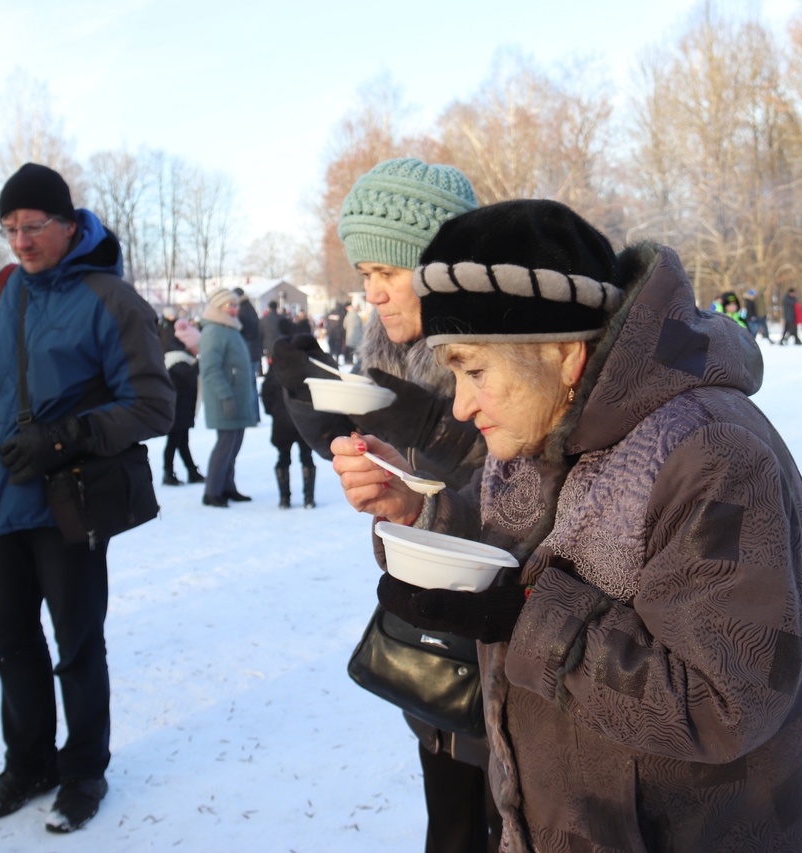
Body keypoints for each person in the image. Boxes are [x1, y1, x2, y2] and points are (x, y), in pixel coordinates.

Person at [334, 199, 802, 851]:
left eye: (474, 368)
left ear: (563, 352)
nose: (461, 404)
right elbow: (515, 545)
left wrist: (525, 619)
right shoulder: (540, 424)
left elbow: (725, 699)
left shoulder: (712, 454)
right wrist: (419, 511)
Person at [271, 157, 498, 853]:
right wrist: (335, 432)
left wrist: (414, 450)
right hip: (433, 647)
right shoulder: (388, 356)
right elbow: (419, 501)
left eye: (387, 274)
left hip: (510, 661)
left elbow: (521, 513)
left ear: (441, 267)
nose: (372, 296)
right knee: (450, 821)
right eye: (364, 276)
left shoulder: (509, 363)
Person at [0, 163, 174, 833]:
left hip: (67, 500)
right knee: (7, 634)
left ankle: (83, 771)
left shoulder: (109, 297)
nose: (20, 241)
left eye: (33, 226)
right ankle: (28, 762)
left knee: (76, 641)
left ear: (70, 224)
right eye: (9, 228)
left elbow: (154, 404)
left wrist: (65, 437)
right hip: (1, 498)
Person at [197, 288, 257, 507]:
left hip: (237, 397)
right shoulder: (213, 331)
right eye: (228, 305)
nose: (234, 309)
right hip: (225, 399)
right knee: (225, 444)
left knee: (234, 444)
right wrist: (224, 396)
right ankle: (212, 491)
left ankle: (227, 486)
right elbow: (210, 369)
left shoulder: (230, 328)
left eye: (235, 305)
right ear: (218, 307)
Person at [262, 319, 317, 509]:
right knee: (306, 456)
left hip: (282, 421)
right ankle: (308, 498)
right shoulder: (307, 364)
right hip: (304, 420)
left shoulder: (275, 366)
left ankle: (284, 499)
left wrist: (274, 411)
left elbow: (267, 391)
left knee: (283, 457)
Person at [162, 317, 205, 486]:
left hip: (182, 408)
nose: (198, 348)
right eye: (196, 345)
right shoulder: (177, 359)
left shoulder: (182, 358)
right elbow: (186, 375)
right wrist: (200, 363)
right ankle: (168, 473)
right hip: (177, 408)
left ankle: (191, 471)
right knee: (174, 442)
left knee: (181, 441)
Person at [258, 299, 284, 371]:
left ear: (269, 308)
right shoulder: (282, 318)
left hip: (268, 345)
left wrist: (260, 346)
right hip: (280, 344)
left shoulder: (263, 319)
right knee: (279, 363)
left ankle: (271, 375)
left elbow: (260, 333)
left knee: (270, 363)